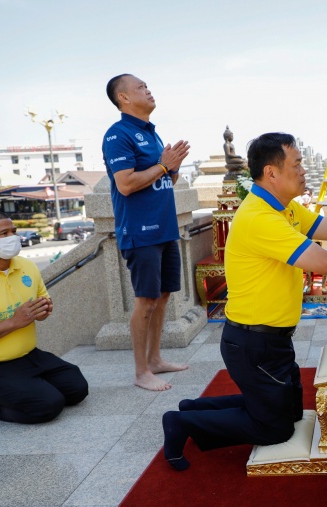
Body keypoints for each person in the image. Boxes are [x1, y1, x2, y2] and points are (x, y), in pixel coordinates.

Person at [160, 132, 327, 471]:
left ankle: (194, 407)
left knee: (293, 412)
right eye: (296, 164)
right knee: (275, 428)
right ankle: (181, 422)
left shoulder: (282, 207)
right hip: (253, 344)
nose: (302, 171)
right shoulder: (260, 218)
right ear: (271, 173)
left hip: (271, 340)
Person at [0, 212, 88, 423]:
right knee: (48, 406)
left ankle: (25, 390)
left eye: (14, 231)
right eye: (4, 233)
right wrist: (13, 322)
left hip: (29, 357)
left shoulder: (26, 266)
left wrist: (43, 311)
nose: (13, 237)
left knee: (77, 389)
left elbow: (41, 304)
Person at [102, 73, 191, 391]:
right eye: (141, 87)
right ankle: (141, 372)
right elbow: (126, 184)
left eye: (147, 86)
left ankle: (155, 360)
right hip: (140, 232)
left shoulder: (151, 134)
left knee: (163, 296)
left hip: (165, 229)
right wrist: (164, 165)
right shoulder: (118, 135)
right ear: (123, 97)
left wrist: (172, 167)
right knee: (146, 300)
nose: (148, 90)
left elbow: (163, 180)